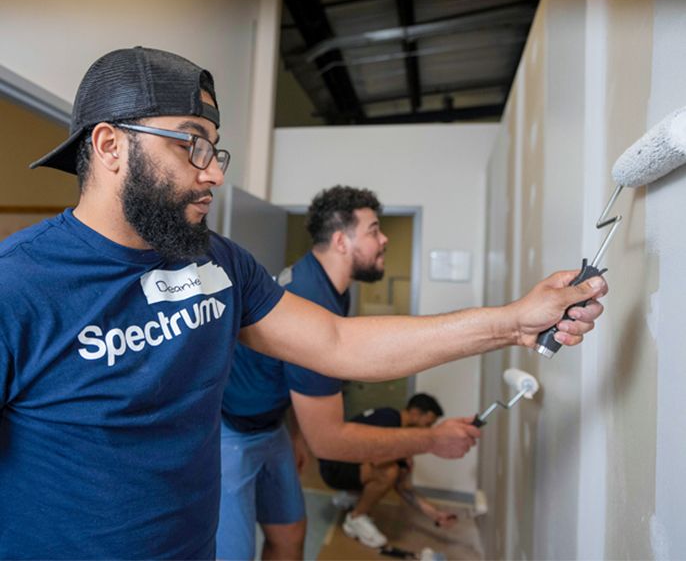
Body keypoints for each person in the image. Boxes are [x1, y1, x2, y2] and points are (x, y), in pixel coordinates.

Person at [0, 46, 607, 559]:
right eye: (191, 143)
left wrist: (512, 322)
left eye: (214, 148)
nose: (212, 172)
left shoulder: (217, 262)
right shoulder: (20, 284)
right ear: (109, 146)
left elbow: (339, 344)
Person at [217, 185, 482, 560]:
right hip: (230, 432)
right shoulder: (310, 295)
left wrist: (294, 434)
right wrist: (431, 439)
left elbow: (293, 375)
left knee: (291, 534)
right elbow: (330, 441)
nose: (384, 238)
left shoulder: (331, 288)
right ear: (341, 241)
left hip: (271, 426)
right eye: (374, 230)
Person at [319, 394, 460, 548]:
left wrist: (436, 514)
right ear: (415, 412)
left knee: (395, 470)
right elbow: (377, 459)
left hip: (345, 464)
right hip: (333, 467)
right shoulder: (389, 418)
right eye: (428, 423)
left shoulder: (397, 431)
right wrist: (407, 453)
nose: (427, 429)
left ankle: (350, 496)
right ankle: (356, 518)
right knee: (388, 471)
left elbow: (403, 488)